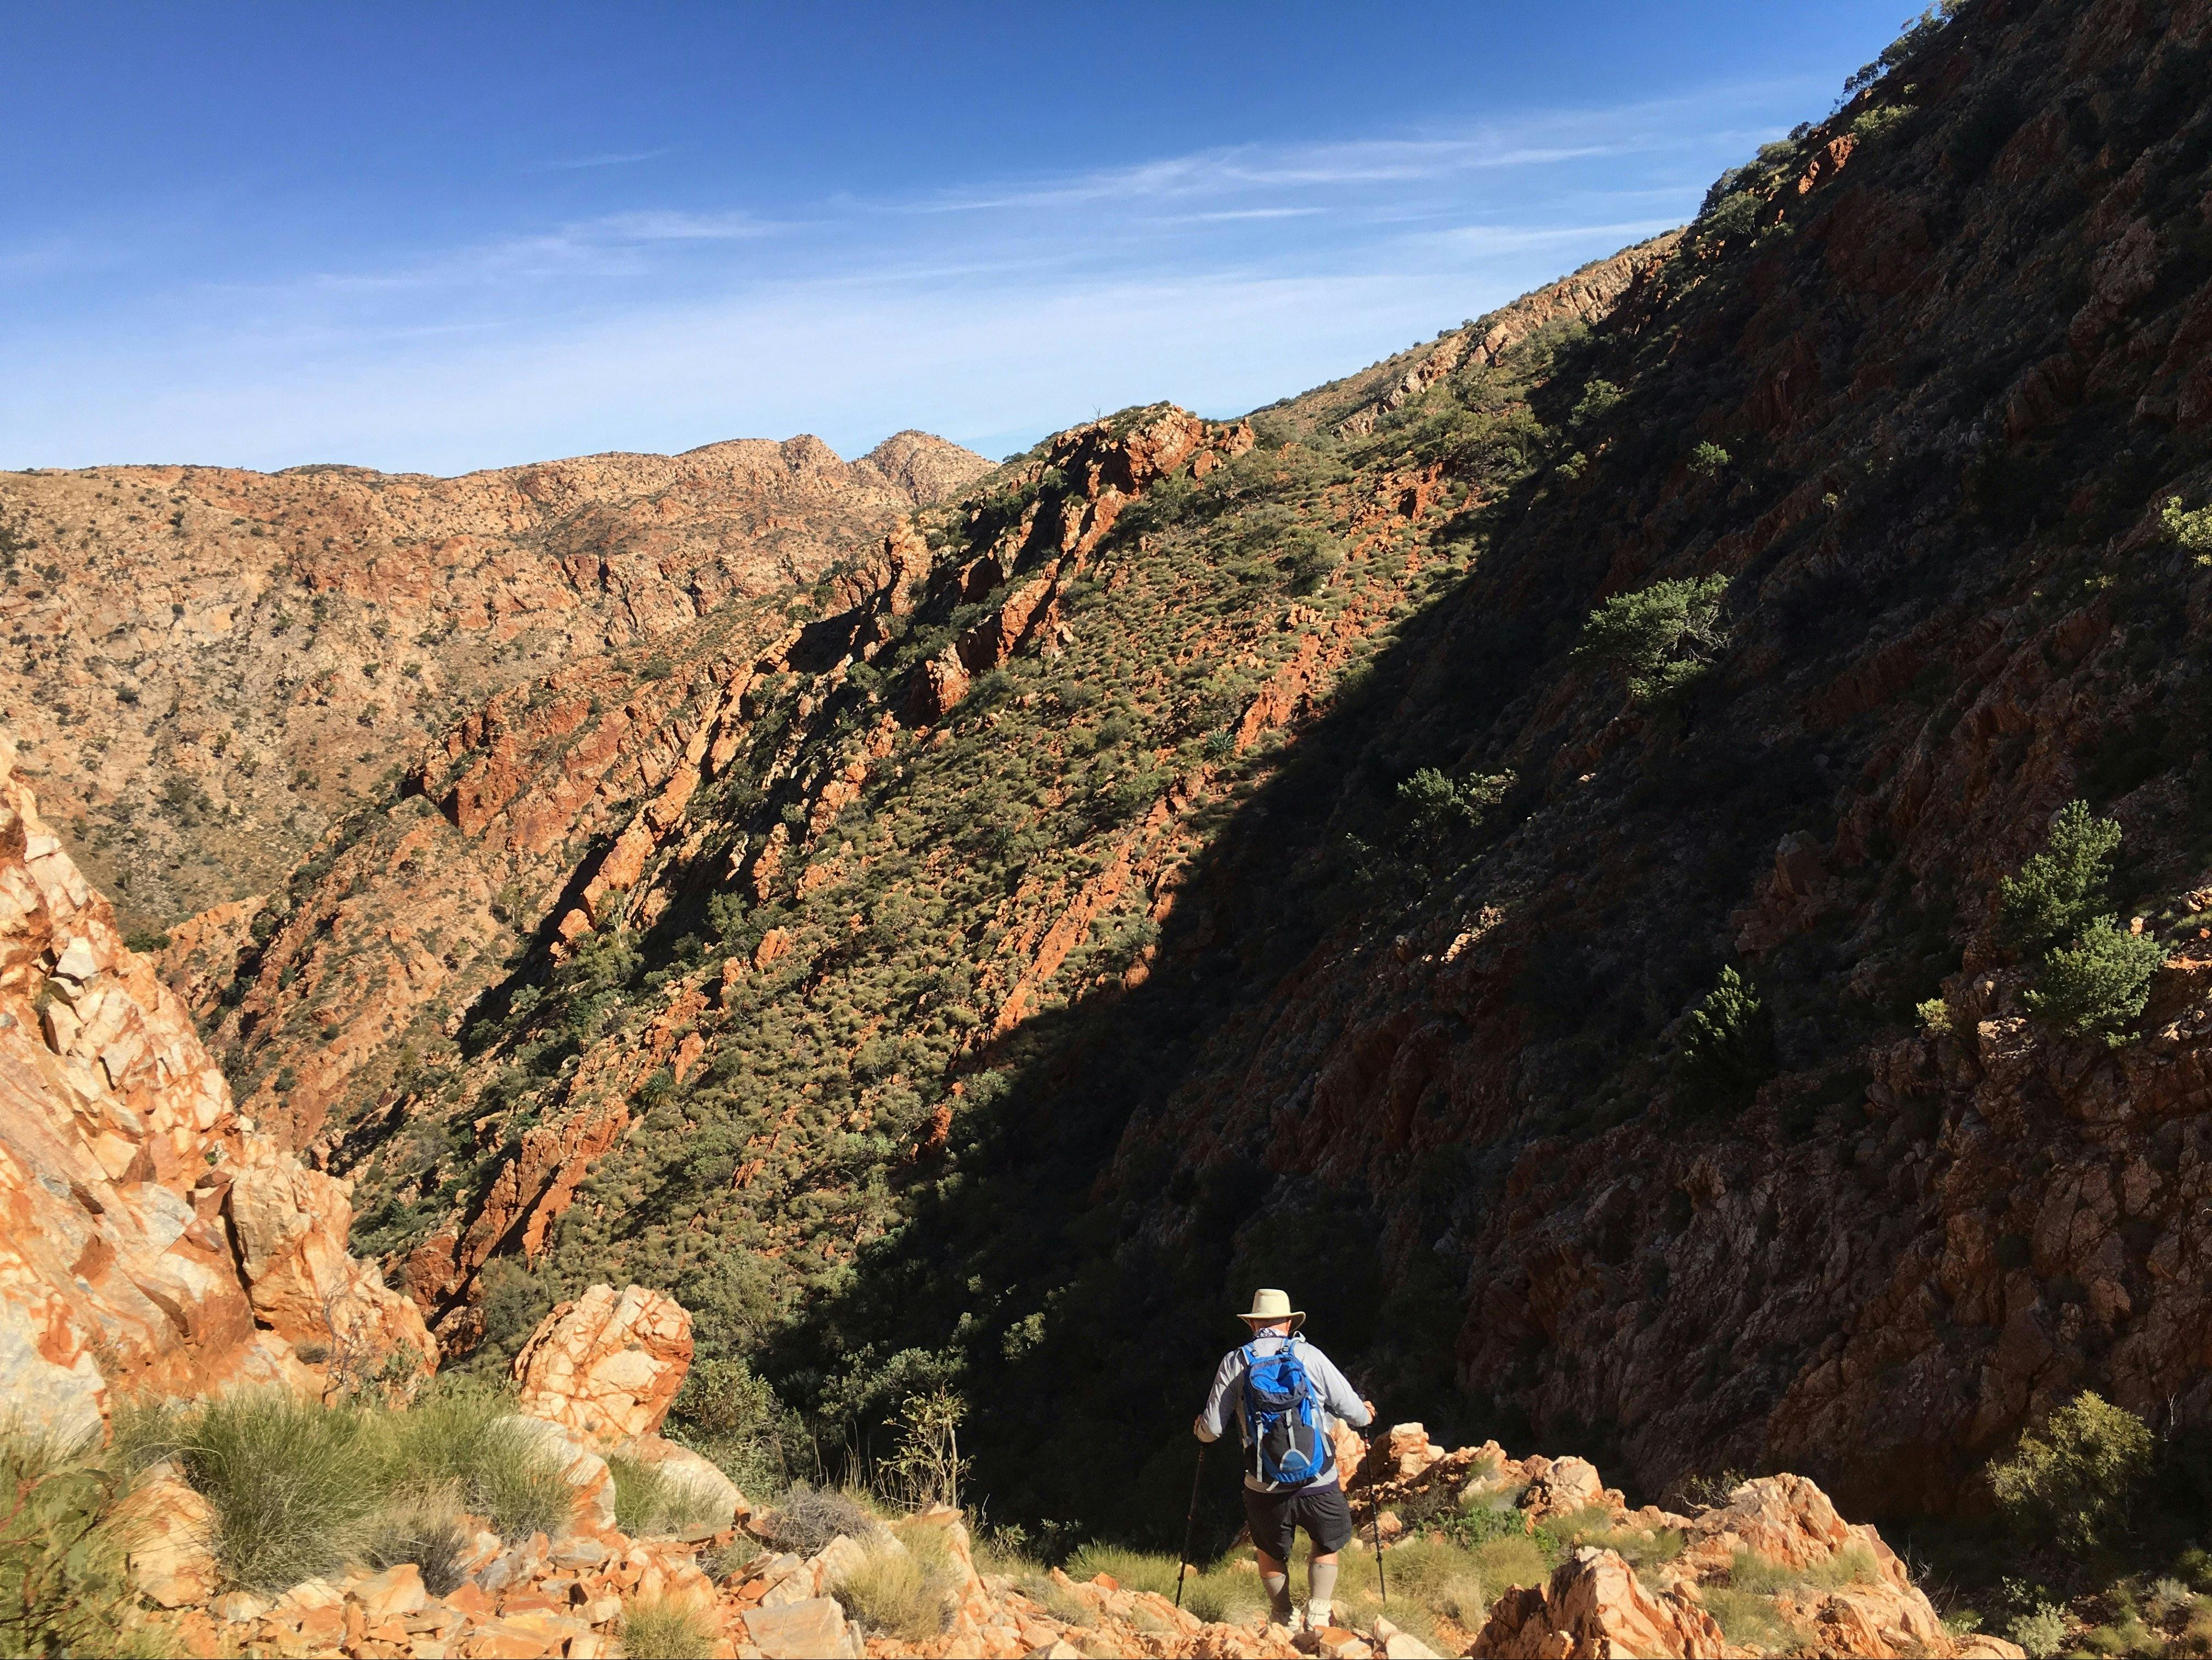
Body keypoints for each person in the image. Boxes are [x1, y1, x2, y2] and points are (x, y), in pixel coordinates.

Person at [1193, 1288, 1375, 1633]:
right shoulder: (1310, 1356)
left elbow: (1212, 1429)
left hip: (1265, 1482)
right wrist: (1366, 1415)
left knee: (1270, 1551)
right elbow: (1351, 1410)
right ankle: (1319, 1614)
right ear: (1290, 1322)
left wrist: (1199, 1431)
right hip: (1318, 1478)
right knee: (1326, 1542)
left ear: (1252, 1325)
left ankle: (1283, 1616)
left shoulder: (1236, 1362)